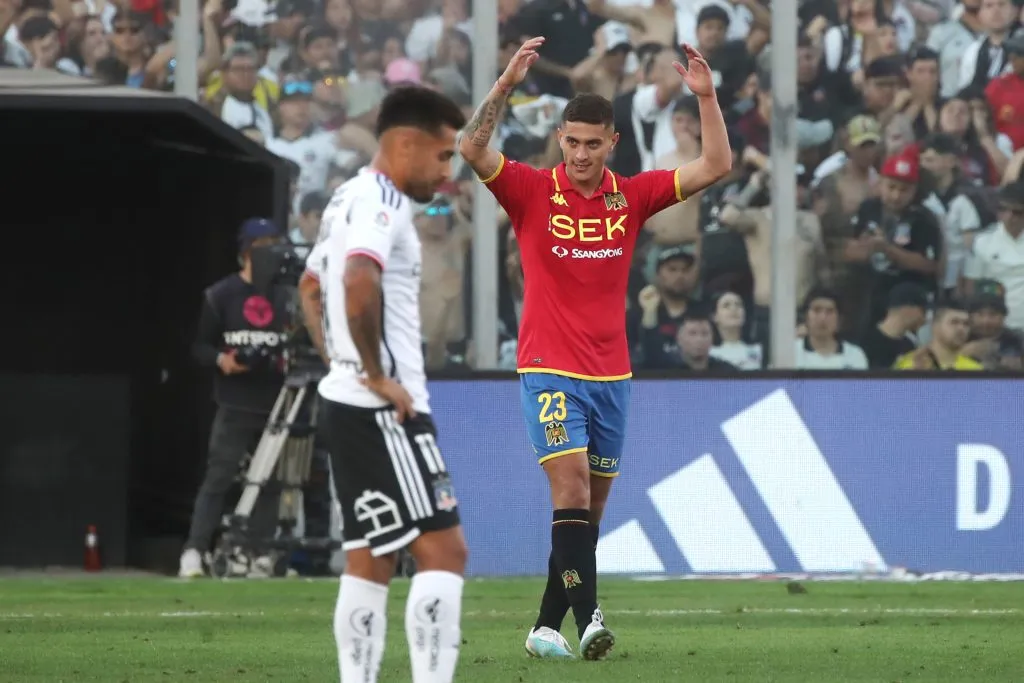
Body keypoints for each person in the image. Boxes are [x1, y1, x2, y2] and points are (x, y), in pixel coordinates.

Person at [458, 37, 732, 660]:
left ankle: (544, 627)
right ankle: (592, 622)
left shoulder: (631, 197)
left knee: (588, 516)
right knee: (573, 491)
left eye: (593, 143)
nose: (581, 154)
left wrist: (707, 97)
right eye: (572, 142)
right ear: (561, 138)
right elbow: (470, 147)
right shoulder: (529, 189)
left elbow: (715, 165)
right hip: (548, 367)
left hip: (613, 377)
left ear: (612, 143)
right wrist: (504, 84)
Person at [310, 86, 468, 683]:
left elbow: (308, 285)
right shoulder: (382, 201)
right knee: (444, 551)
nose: (447, 171)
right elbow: (357, 279)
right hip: (387, 407)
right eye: (443, 155)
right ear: (406, 143)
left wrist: (341, 364)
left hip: (349, 399)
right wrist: (375, 374)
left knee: (371, 558)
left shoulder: (344, 196)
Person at [179, 219, 291, 579]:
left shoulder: (286, 295)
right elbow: (199, 346)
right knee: (219, 477)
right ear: (247, 250)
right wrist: (221, 360)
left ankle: (260, 551)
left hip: (277, 403)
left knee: (270, 483)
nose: (273, 251)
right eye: (265, 245)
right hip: (234, 402)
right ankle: (195, 550)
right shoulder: (221, 295)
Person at [893, 300, 985, 370]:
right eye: (954, 322)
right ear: (934, 326)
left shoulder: (974, 369)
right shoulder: (910, 365)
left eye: (966, 324)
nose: (961, 329)